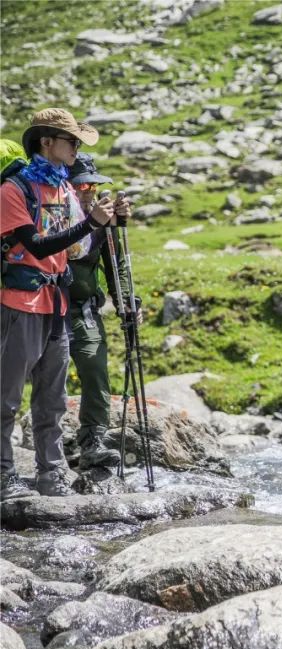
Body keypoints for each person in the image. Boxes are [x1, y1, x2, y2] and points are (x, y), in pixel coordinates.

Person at [1, 108, 116, 499]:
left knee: (52, 400)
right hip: (18, 303)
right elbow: (35, 245)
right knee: (7, 397)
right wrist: (89, 223)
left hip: (56, 306)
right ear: (46, 141)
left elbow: (81, 249)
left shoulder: (66, 190)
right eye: (72, 141)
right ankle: (4, 477)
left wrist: (103, 225)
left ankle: (52, 475)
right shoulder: (13, 190)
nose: (76, 149)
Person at [68, 152, 139, 470]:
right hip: (44, 308)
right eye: (82, 186)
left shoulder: (102, 223)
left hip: (84, 308)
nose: (89, 192)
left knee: (95, 369)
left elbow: (116, 265)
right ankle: (49, 445)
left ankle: (93, 441)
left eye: (93, 186)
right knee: (46, 377)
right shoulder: (54, 216)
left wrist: (126, 303)